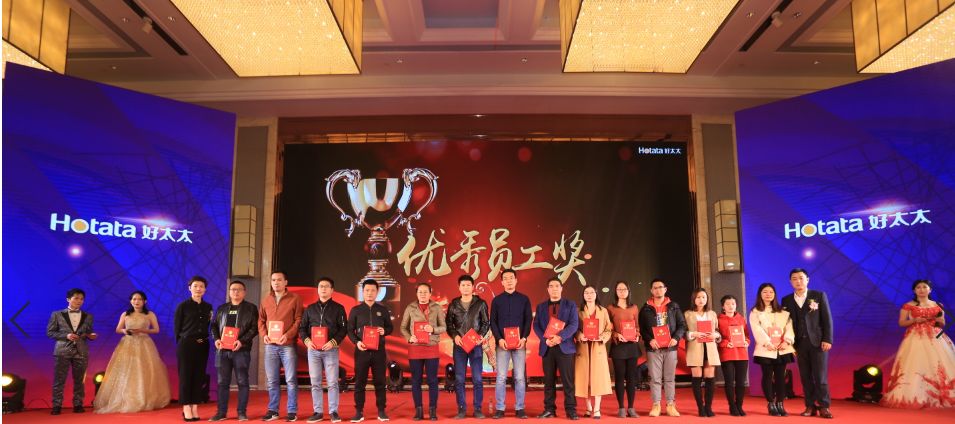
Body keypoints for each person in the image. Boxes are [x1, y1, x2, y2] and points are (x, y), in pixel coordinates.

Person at [882, 279, 955, 408]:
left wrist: (937, 320)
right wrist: (914, 320)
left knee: (940, 364)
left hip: (936, 337)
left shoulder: (938, 305)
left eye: (924, 287)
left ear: (930, 290)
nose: (921, 290)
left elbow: (942, 323)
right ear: (914, 290)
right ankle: (916, 395)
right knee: (916, 362)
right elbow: (902, 322)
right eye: (918, 287)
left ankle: (942, 395)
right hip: (916, 336)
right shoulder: (908, 305)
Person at [94, 291, 170, 413]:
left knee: (144, 370)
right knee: (126, 370)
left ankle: (144, 398)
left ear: (144, 301)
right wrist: (125, 331)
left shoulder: (149, 314)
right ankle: (125, 399)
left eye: (139, 299)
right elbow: (118, 329)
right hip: (128, 343)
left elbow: (156, 329)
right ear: (130, 301)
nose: (136, 301)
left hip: (144, 343)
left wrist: (142, 330)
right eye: (134, 299)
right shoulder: (125, 314)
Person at [781, 268, 834, 419]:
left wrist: (827, 339)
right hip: (798, 344)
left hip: (818, 343)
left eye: (801, 278)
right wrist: (790, 344)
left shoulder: (818, 296)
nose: (798, 281)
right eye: (794, 279)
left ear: (807, 280)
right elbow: (785, 323)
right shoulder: (786, 300)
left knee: (820, 377)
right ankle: (810, 406)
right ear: (790, 282)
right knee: (805, 377)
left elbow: (827, 319)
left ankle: (824, 406)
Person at [257, 271, 305, 422]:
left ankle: (292, 411)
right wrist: (264, 335)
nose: (276, 282)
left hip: (287, 345)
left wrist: (288, 335)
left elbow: (299, 320)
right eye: (273, 280)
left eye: (279, 280)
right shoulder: (266, 300)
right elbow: (261, 320)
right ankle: (273, 410)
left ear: (285, 282)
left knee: (290, 380)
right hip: (270, 345)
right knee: (272, 380)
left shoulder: (295, 298)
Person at [299, 277, 348, 423]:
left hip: (330, 350)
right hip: (313, 350)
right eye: (321, 286)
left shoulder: (338, 308)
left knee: (332, 382)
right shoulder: (310, 309)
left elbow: (343, 329)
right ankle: (318, 412)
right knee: (315, 382)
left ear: (332, 290)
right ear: (318, 290)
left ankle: (333, 411)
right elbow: (302, 328)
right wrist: (307, 341)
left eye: (326, 286)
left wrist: (333, 342)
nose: (323, 289)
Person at [210, 281, 259, 422]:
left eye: (239, 289)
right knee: (222, 382)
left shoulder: (251, 308)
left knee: (242, 381)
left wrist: (242, 341)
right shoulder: (222, 308)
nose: (236, 292)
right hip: (222, 351)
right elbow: (213, 326)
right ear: (229, 292)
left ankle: (242, 412)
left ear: (244, 292)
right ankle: (221, 412)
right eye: (233, 289)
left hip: (241, 350)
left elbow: (254, 328)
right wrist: (216, 339)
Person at [532, 277, 580, 420]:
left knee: (568, 381)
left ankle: (571, 410)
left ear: (561, 288)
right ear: (548, 289)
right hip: (547, 347)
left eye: (557, 286)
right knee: (548, 381)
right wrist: (545, 340)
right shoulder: (541, 307)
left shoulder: (570, 305)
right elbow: (536, 325)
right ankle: (549, 409)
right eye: (551, 286)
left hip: (564, 347)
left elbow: (574, 325)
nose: (554, 288)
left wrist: (560, 337)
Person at [347, 279, 394, 423]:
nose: (369, 293)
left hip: (379, 352)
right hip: (362, 351)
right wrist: (357, 342)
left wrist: (384, 331)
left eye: (373, 290)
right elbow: (350, 330)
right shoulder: (356, 310)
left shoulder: (383, 310)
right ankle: (359, 412)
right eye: (367, 290)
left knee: (380, 381)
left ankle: (381, 411)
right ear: (363, 292)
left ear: (377, 292)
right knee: (360, 382)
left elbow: (390, 327)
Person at [638, 278, 686, 417]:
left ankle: (671, 405)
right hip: (654, 348)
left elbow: (682, 325)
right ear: (651, 290)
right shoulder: (645, 308)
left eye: (660, 287)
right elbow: (642, 329)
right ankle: (656, 405)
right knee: (655, 378)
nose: (658, 290)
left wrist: (676, 338)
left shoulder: (673, 306)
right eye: (655, 288)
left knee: (670, 378)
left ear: (665, 289)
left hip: (670, 348)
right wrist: (650, 340)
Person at [46, 288, 98, 415]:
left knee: (80, 380)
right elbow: (50, 332)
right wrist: (66, 336)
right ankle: (57, 405)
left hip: (81, 350)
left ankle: (78, 404)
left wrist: (91, 335)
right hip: (62, 350)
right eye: (76, 298)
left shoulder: (88, 316)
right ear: (68, 299)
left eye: (81, 299)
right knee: (59, 379)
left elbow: (88, 331)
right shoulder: (57, 314)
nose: (79, 301)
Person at [489, 268, 532, 420]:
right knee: (501, 377)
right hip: (502, 344)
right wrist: (499, 339)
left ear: (516, 280)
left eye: (511, 278)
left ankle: (520, 408)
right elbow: (493, 322)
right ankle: (500, 408)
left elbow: (528, 320)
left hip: (519, 344)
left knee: (519, 377)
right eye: (505, 278)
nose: (509, 281)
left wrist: (524, 338)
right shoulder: (497, 300)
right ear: (502, 282)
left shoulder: (524, 299)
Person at [400, 282, 447, 421]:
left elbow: (443, 327)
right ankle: (418, 410)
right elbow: (403, 327)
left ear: (430, 293)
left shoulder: (436, 307)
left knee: (432, 380)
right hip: (415, 348)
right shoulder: (410, 308)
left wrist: (433, 330)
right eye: (420, 292)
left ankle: (432, 410)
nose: (423, 294)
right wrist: (409, 338)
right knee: (416, 380)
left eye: (425, 292)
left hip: (431, 347)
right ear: (416, 293)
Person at [447, 275, 491, 419]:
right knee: (459, 378)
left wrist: (480, 336)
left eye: (468, 285)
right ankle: (461, 409)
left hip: (475, 345)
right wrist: (455, 336)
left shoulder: (481, 303)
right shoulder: (454, 304)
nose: (466, 287)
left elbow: (486, 323)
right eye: (463, 285)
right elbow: (449, 324)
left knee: (477, 378)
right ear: (459, 287)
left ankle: (478, 408)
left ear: (473, 287)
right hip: (459, 346)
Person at [750, 282, 795, 417]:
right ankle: (771, 403)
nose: (768, 294)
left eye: (771, 292)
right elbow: (756, 329)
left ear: (775, 294)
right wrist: (767, 342)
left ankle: (780, 403)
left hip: (782, 348)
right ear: (760, 294)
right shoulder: (755, 312)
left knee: (781, 377)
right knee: (767, 376)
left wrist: (787, 341)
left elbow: (789, 327)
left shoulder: (783, 311)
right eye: (765, 292)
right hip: (766, 349)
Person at [174, 276, 214, 422]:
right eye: (195, 286)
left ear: (205, 289)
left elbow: (209, 326)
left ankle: (195, 406)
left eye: (201, 286)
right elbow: (177, 328)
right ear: (189, 288)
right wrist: (183, 343)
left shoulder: (208, 307)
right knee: (185, 376)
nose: (198, 289)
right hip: (186, 345)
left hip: (203, 344)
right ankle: (186, 407)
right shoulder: (183, 306)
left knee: (199, 376)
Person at [574, 285, 613, 419]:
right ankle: (588, 407)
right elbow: (574, 328)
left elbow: (609, 328)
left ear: (596, 294)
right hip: (583, 348)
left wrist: (602, 337)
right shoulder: (578, 311)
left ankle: (597, 408)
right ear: (583, 295)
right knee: (585, 379)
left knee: (598, 378)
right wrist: (580, 335)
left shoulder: (603, 311)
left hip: (598, 348)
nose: (589, 295)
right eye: (586, 292)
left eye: (592, 292)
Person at [606, 281, 642, 418]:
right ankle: (621, 407)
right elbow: (608, 328)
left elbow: (637, 326)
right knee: (619, 377)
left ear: (628, 291)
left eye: (624, 289)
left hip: (632, 346)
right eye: (619, 289)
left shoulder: (634, 307)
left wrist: (637, 335)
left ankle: (631, 408)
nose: (622, 291)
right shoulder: (610, 308)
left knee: (631, 378)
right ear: (615, 292)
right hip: (618, 347)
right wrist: (616, 335)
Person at [684, 288, 721, 417]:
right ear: (694, 299)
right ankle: (700, 407)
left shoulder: (712, 314)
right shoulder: (687, 314)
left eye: (704, 297)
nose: (701, 300)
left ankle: (708, 407)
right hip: (695, 348)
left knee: (710, 378)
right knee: (697, 377)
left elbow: (718, 330)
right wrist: (693, 333)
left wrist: (716, 335)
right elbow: (683, 332)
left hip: (710, 348)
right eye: (698, 297)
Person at [717, 294, 750, 416]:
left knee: (741, 382)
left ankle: (739, 405)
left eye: (733, 304)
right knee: (729, 382)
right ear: (723, 306)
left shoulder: (741, 319)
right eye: (727, 304)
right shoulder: (718, 320)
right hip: (727, 353)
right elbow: (717, 337)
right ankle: (732, 406)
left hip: (741, 353)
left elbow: (747, 335)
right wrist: (726, 343)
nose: (731, 306)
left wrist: (746, 342)